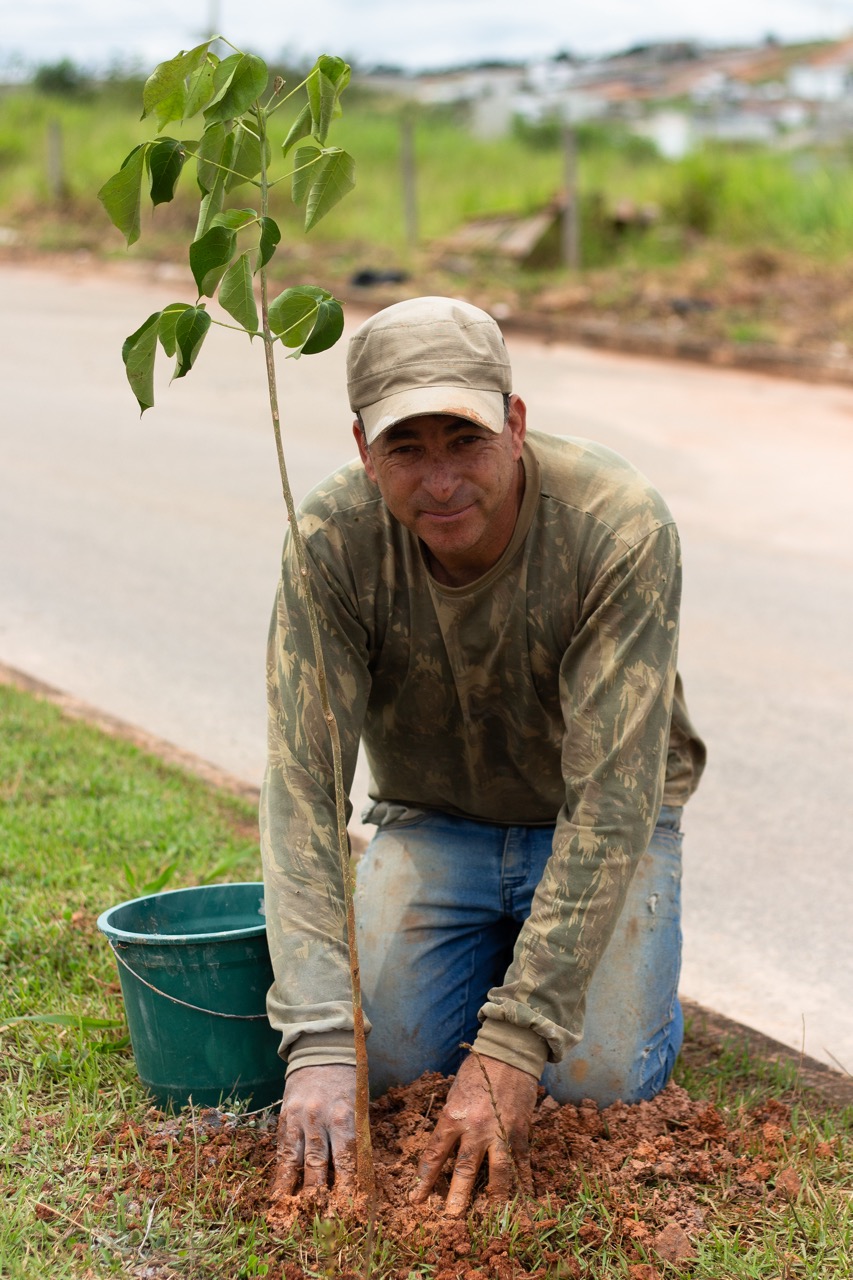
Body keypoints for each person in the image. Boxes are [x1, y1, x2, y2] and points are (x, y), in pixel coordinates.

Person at [260, 296, 706, 1213]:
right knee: (383, 1068)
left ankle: (606, 982)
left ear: (514, 424)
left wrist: (514, 1041)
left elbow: (611, 801)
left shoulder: (616, 526)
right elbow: (301, 785)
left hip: (597, 826)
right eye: (406, 448)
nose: (440, 481)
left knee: (594, 1082)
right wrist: (318, 1039)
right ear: (363, 449)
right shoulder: (331, 541)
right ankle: (504, 960)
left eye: (464, 440)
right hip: (437, 821)